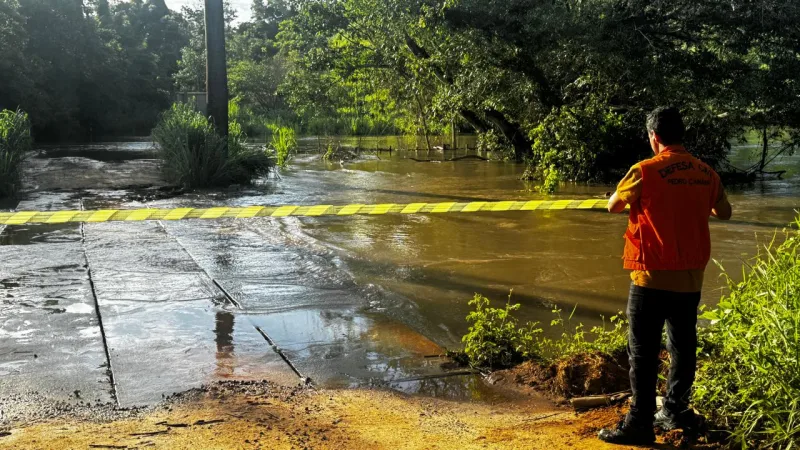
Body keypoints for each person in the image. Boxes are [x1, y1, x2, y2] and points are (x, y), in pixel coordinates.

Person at [599, 107, 732, 445]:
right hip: (690, 279)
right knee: (683, 347)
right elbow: (724, 212)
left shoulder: (644, 170)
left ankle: (640, 423)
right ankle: (675, 409)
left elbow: (613, 205)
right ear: (680, 134)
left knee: (642, 353)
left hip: (651, 277)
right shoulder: (706, 173)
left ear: (654, 137)